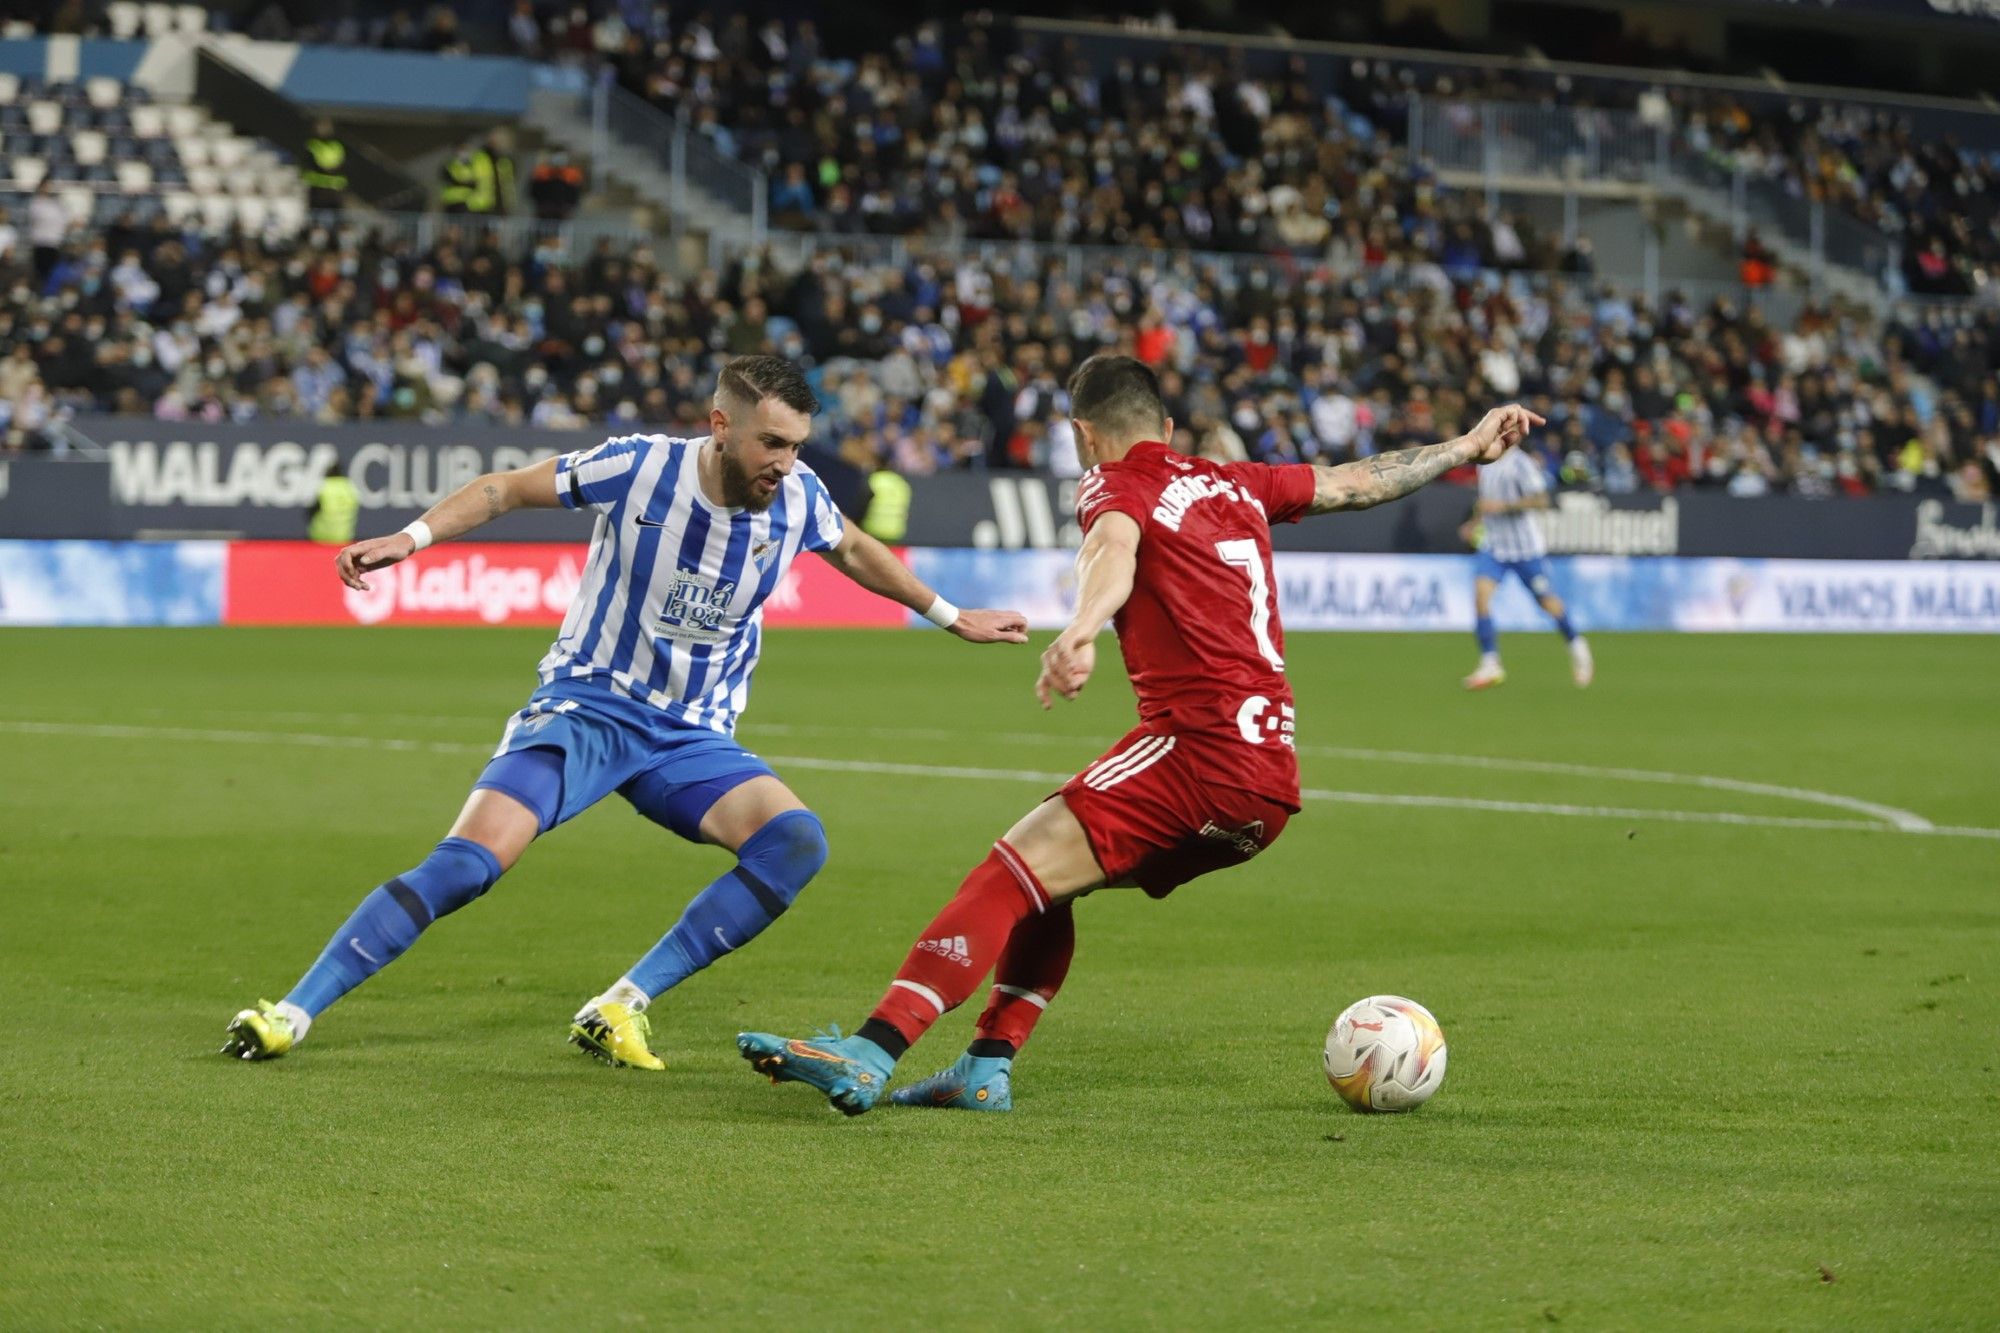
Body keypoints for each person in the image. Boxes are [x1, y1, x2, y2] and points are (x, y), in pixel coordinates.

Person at [736, 355, 1544, 1115]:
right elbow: (1355, 481)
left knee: (1005, 872)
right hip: (1270, 784)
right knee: (1048, 880)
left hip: (1199, 750)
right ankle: (983, 1070)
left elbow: (1112, 549)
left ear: (1086, 434)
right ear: (1164, 421)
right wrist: (1469, 447)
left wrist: (1083, 627)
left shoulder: (1113, 482)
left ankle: (872, 1052)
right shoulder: (1235, 480)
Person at [222, 356, 1029, 1065]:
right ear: (721, 426)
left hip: (690, 736)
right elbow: (505, 488)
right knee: (469, 863)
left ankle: (619, 1005)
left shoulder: (801, 498)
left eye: (796, 445)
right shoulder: (640, 467)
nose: (786, 462)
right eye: (771, 443)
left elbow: (853, 546)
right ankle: (290, 1012)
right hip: (589, 707)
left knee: (793, 842)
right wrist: (413, 536)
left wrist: (951, 615)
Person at [1458, 444, 1592, 690]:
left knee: (1547, 602)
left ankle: (1577, 645)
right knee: (1481, 596)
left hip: (1525, 549)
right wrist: (1474, 521)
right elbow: (1486, 501)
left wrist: (1504, 507)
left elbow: (1541, 500)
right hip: (1495, 546)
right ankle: (1490, 662)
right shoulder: (1484, 463)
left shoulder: (1522, 464)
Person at [306, 459, 359, 545]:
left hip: (320, 537)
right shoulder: (350, 488)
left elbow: (311, 512)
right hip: (344, 537)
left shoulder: (324, 487)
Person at [302, 119, 348, 213]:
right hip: (317, 189)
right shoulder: (312, 144)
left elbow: (337, 163)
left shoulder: (336, 146)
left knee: (335, 216)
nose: (322, 130)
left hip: (333, 190)